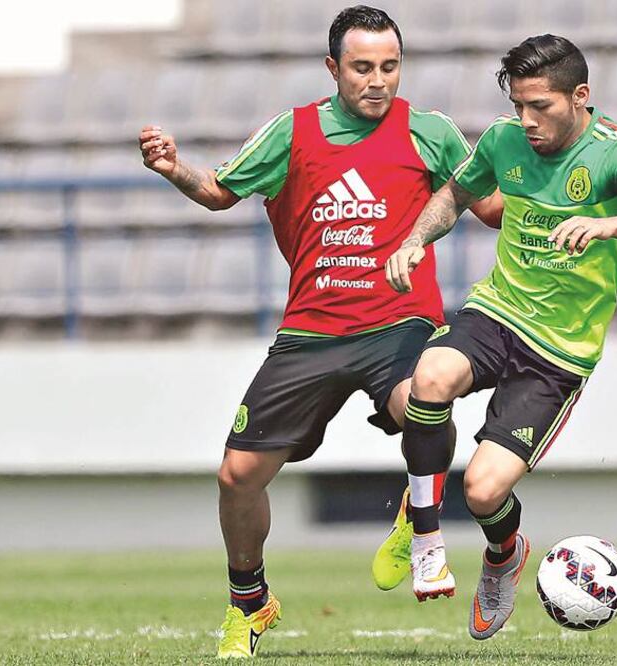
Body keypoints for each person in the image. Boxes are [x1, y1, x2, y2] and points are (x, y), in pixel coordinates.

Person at [138, 5, 501, 658]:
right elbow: (219, 191)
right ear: (333, 68)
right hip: (311, 331)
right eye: (362, 68)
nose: (377, 81)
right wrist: (173, 167)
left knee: (426, 395)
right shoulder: (292, 132)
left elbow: (492, 209)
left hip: (400, 321)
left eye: (389, 66)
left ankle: (420, 515)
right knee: (237, 477)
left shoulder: (431, 131)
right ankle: (250, 603)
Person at [385, 34, 617, 639]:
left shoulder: (616, 150)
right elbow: (456, 194)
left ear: (580, 96)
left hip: (559, 351)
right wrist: (416, 239)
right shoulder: (504, 140)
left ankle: (503, 555)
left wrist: (609, 225)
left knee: (483, 491)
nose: (526, 120)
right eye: (518, 105)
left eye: (540, 106)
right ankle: (424, 532)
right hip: (498, 311)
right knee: (430, 377)